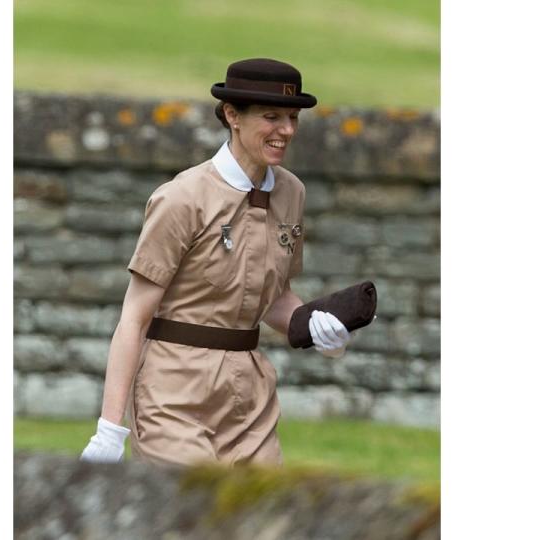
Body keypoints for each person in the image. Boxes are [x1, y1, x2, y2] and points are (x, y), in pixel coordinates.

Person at [80, 58, 354, 466]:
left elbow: (274, 297)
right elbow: (134, 317)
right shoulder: (181, 198)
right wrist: (109, 429)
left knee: (263, 523)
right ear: (232, 116)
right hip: (173, 395)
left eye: (293, 118)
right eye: (271, 116)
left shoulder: (292, 193)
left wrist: (314, 326)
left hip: (251, 400)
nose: (287, 131)